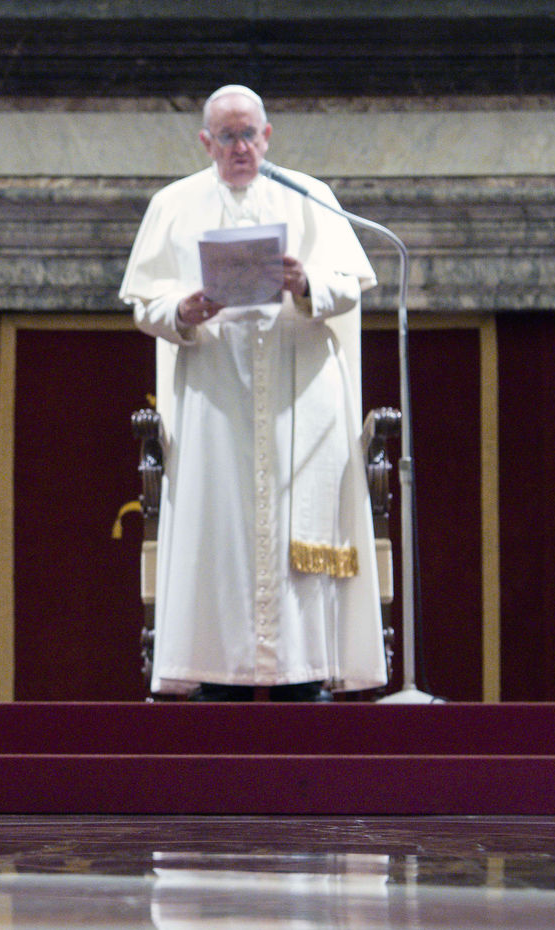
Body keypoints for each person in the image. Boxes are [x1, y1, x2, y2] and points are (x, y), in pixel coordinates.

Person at [118, 84, 388, 701]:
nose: (240, 147)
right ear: (206, 142)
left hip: (302, 398)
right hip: (217, 400)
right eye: (227, 137)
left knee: (299, 540)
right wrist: (181, 309)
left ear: (267, 137)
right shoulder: (174, 204)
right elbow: (144, 303)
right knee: (221, 537)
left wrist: (305, 281)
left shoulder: (310, 196)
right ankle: (221, 678)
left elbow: (351, 284)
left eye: (249, 135)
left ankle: (306, 674)